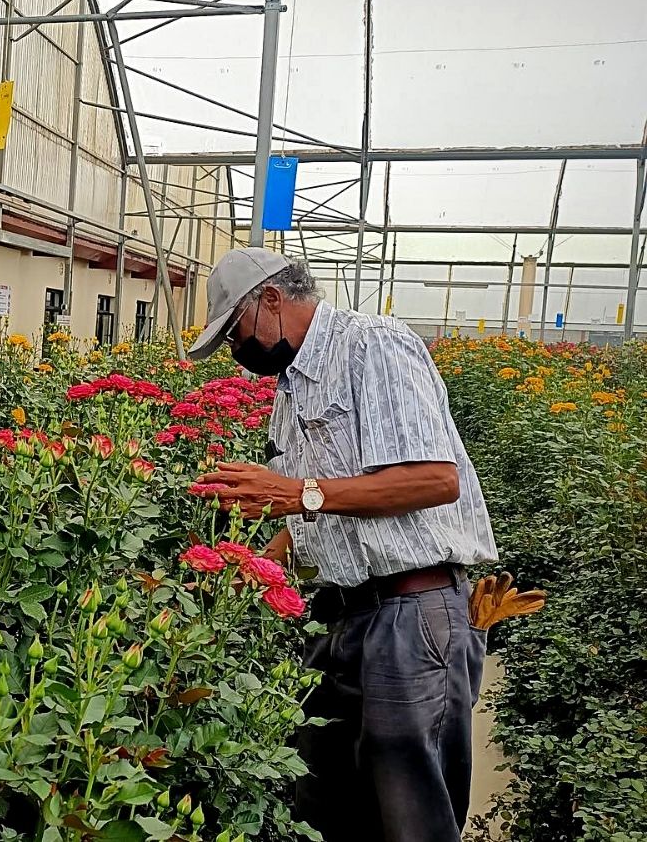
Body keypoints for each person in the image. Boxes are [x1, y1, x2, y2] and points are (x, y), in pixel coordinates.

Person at [187, 249, 496, 842]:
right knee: (323, 800)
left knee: (410, 814)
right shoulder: (292, 385)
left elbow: (436, 480)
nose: (235, 351)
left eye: (235, 332)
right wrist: (248, 567)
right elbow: (315, 509)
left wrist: (296, 494)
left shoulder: (373, 346)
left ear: (272, 301)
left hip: (412, 612)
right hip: (343, 614)